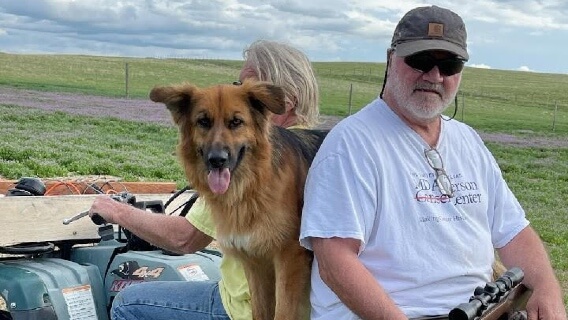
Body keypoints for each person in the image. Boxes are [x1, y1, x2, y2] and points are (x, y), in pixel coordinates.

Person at [299, 5, 566, 320]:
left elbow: (514, 231)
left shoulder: (468, 142)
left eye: (450, 65)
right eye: (421, 61)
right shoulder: (352, 145)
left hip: (478, 310)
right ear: (390, 59)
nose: (435, 76)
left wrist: (548, 288)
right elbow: (335, 260)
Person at [88, 39, 320, 320]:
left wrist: (118, 211)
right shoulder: (321, 150)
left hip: (237, 308)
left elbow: (185, 239)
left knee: (127, 302)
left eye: (245, 87)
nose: (235, 92)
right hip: (279, 305)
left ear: (278, 102)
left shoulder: (256, 171)